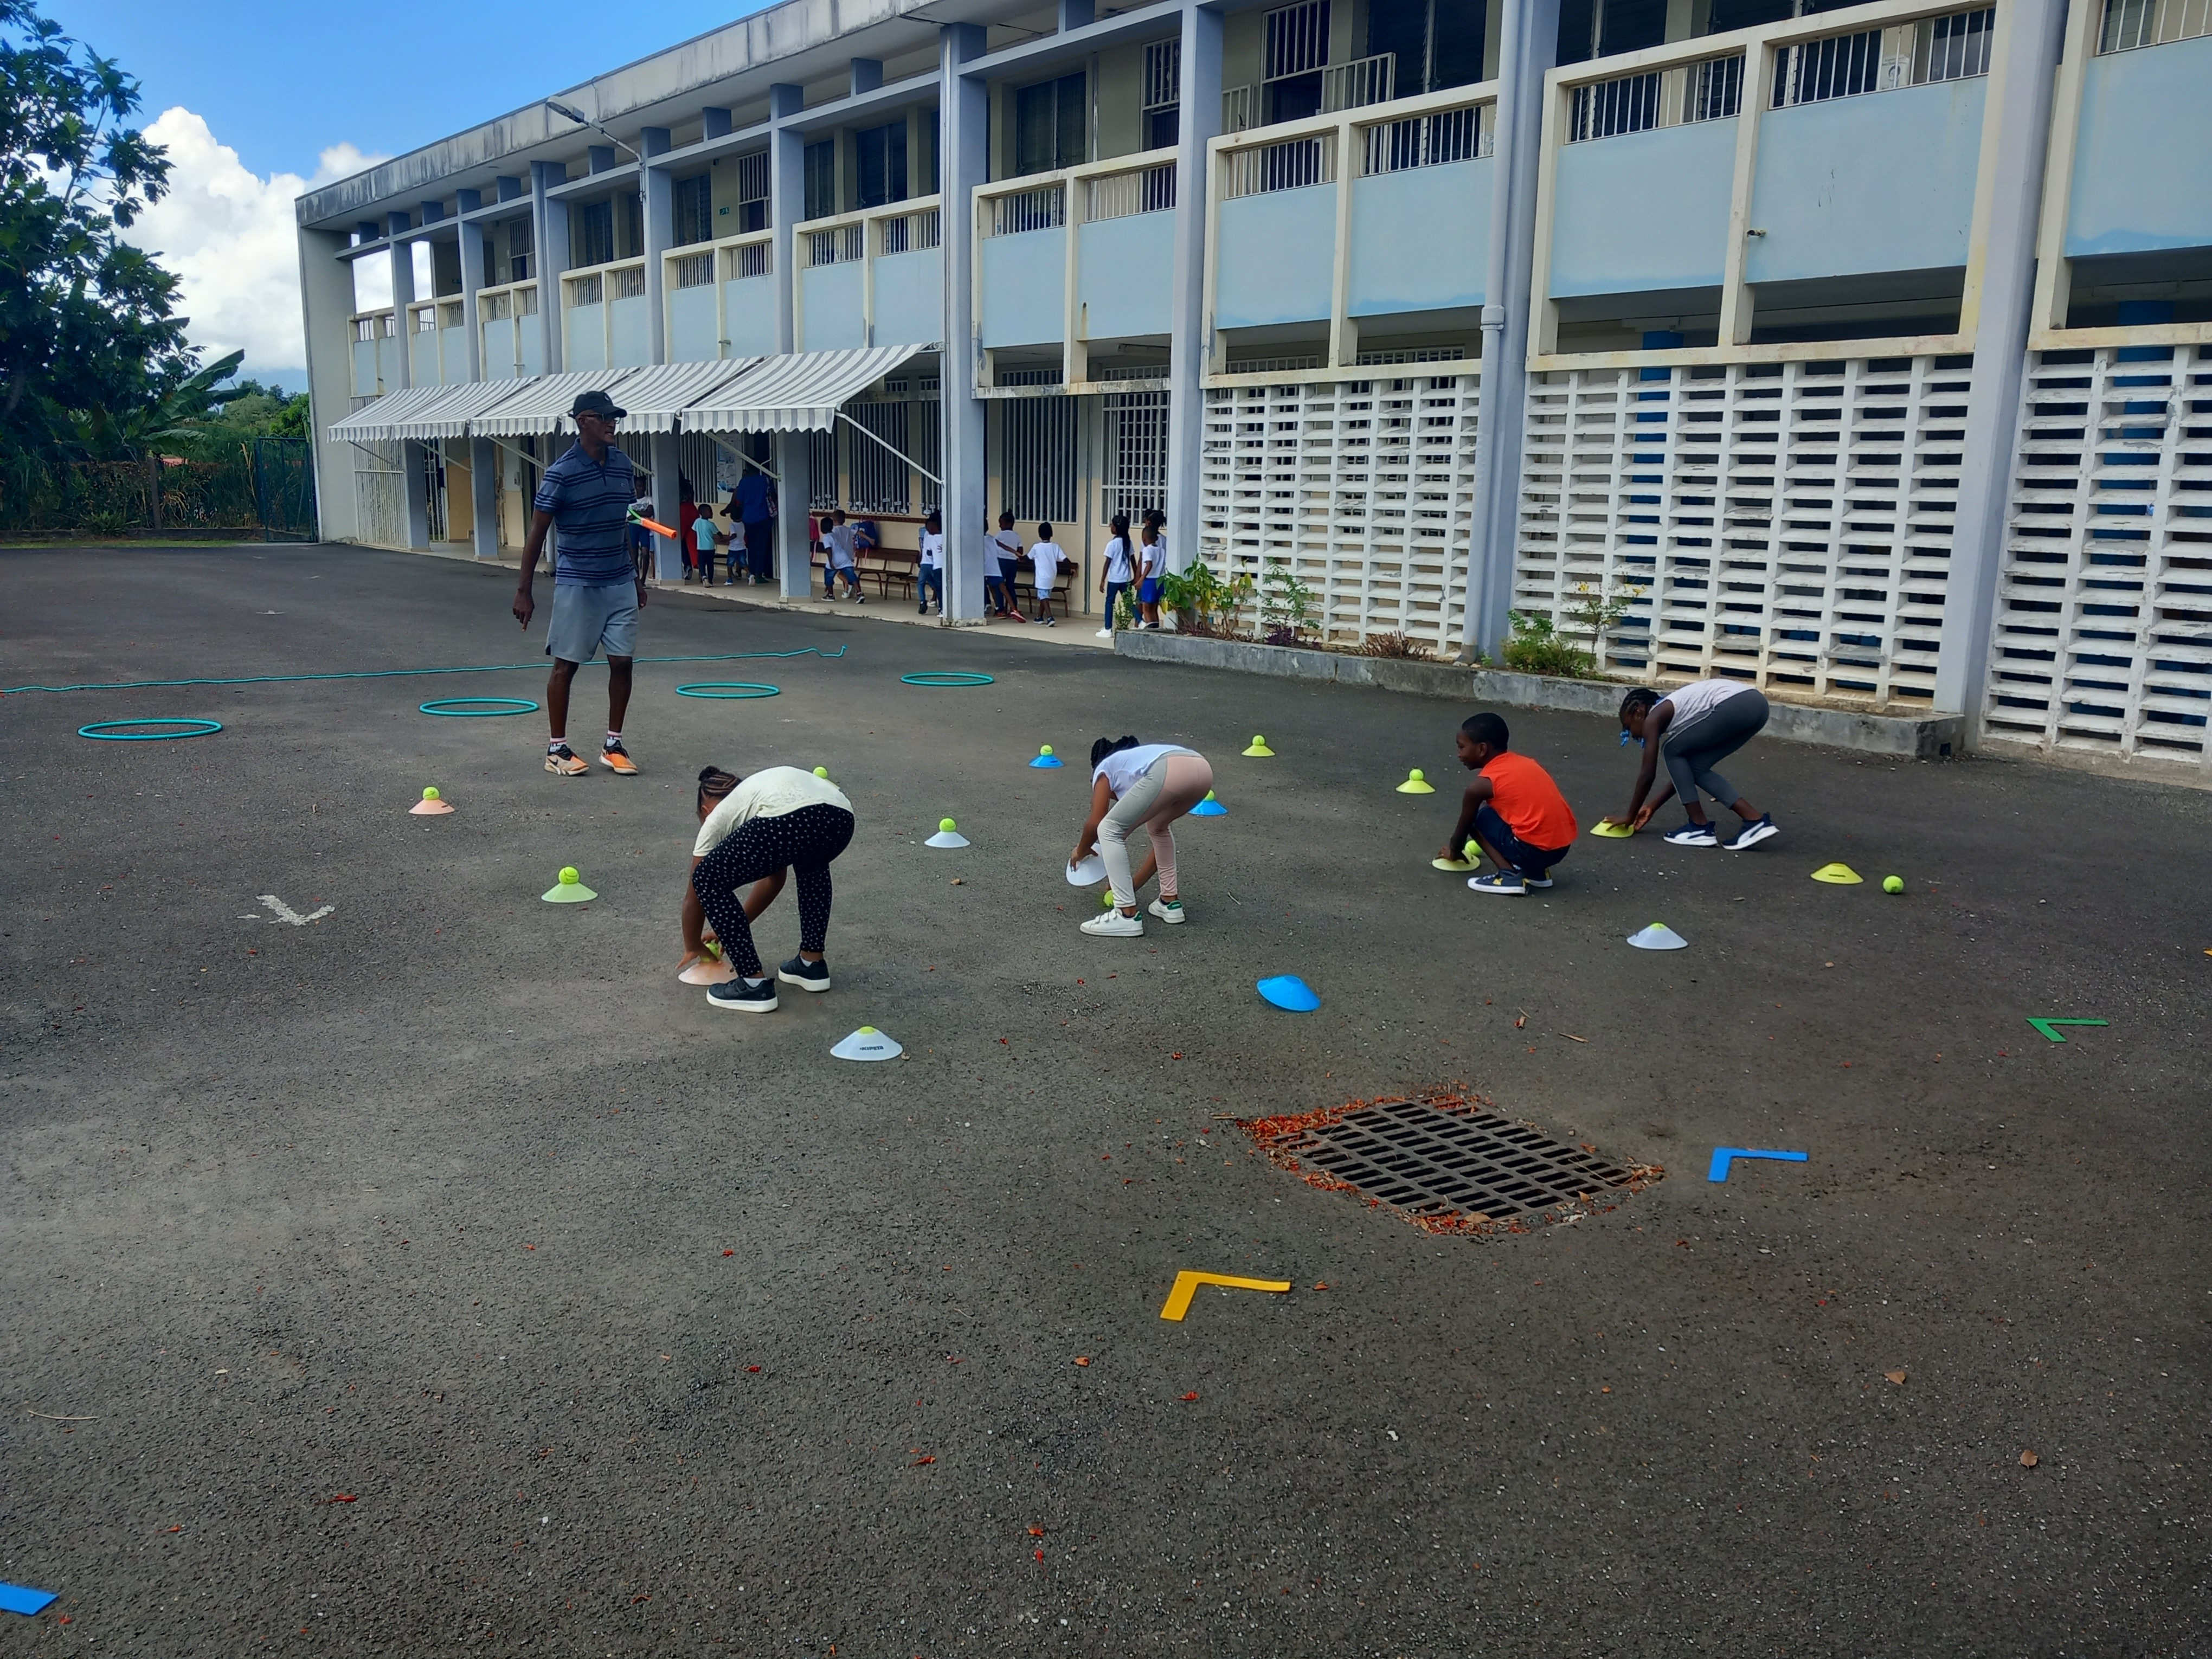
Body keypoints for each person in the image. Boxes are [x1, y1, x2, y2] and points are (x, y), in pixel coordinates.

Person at [513, 389, 646, 779]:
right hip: (579, 582)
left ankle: (613, 745)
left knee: (623, 663)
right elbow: (538, 531)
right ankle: (557, 749)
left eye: (614, 418)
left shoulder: (622, 465)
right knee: (566, 666)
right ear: (582, 421)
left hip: (619, 579)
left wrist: (636, 578)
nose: (612, 424)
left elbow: (622, 523)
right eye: (604, 418)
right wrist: (524, 590)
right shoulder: (562, 473)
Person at [683, 764, 856, 1013]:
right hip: (840, 815)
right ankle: (811, 964)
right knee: (811, 864)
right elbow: (773, 880)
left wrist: (693, 945)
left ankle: (753, 985)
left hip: (793, 816)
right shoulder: (758, 797)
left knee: (707, 877)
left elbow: (694, 896)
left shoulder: (717, 818)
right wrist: (730, 927)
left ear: (705, 811)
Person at [1069, 735, 1215, 937]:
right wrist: (1129, 886)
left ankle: (1125, 916)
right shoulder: (1137, 768)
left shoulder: (1105, 767)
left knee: (1108, 829)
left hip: (1170, 769)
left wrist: (1081, 850)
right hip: (1202, 769)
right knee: (1158, 827)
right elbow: (1153, 851)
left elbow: (1096, 823)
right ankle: (1169, 903)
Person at [1606, 681, 1779, 849]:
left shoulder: (1653, 717)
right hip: (1758, 707)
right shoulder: (1679, 720)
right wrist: (1652, 806)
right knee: (1696, 766)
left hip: (1735, 703)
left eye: (1628, 727)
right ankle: (1755, 821)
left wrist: (1630, 816)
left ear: (1638, 713)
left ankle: (1699, 827)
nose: (1632, 734)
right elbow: (1683, 774)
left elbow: (1648, 774)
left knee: (1670, 750)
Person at [1439, 711, 1579, 896]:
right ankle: (1536, 873)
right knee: (1498, 812)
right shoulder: (1526, 763)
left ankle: (1509, 875)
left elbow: (1462, 831)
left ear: (1482, 749)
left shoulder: (1480, 786)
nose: (1459, 755)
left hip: (1534, 850)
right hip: (1561, 848)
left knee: (1478, 817)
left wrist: (1454, 852)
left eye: (1462, 747)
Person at [734, 460, 776, 585]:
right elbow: (773, 496)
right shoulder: (765, 480)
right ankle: (759, 574)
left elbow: (740, 500)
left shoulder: (744, 482)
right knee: (761, 547)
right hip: (763, 517)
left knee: (751, 546)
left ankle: (751, 572)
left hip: (748, 517)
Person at [1097, 513, 1134, 638]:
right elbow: (1133, 561)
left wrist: (1102, 580)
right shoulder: (1128, 542)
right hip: (1126, 579)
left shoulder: (1112, 544)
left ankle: (1108, 629)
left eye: (1112, 525)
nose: (1110, 527)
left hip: (1114, 580)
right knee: (1129, 602)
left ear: (1116, 528)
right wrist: (1137, 578)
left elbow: (1107, 563)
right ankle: (1142, 621)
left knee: (1109, 603)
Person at [991, 512, 1027, 622]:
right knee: (1011, 586)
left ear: (1008, 523)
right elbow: (1020, 550)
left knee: (999, 586)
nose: (1000, 526)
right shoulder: (1017, 536)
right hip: (1013, 563)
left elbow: (994, 547)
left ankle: (1001, 610)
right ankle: (1013, 609)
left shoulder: (1000, 535)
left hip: (1001, 561)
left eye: (1001, 523)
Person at [824, 509, 865, 602]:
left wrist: (831, 562)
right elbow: (858, 533)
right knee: (852, 576)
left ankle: (831, 595)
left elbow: (829, 550)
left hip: (835, 559)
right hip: (845, 558)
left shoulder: (829, 535)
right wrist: (870, 539)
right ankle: (859, 593)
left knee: (829, 577)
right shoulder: (846, 530)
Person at [1030, 522, 1064, 626]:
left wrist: (1019, 557)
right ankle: (1039, 617)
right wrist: (1072, 567)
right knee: (1044, 596)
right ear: (1052, 534)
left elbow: (1028, 557)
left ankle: (1050, 617)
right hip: (1052, 576)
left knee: (1044, 597)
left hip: (1042, 577)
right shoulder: (1055, 547)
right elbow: (1065, 558)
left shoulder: (1036, 547)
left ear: (1039, 534)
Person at [1135, 518, 1166, 629]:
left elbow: (1149, 565)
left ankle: (1150, 630)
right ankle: (1156, 629)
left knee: (1146, 608)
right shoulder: (1162, 550)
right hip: (1160, 581)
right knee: (1154, 609)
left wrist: (1141, 579)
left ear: (1144, 539)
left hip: (1149, 581)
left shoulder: (1147, 550)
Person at [917, 509, 944, 615]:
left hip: (934, 565)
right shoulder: (945, 536)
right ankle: (938, 604)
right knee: (940, 587)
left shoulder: (930, 536)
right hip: (937, 565)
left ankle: (926, 602)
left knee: (924, 583)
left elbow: (928, 551)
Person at [690, 504, 720, 586]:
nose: (712, 513)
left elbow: (694, 530)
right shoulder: (711, 524)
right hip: (710, 547)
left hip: (701, 547)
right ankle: (710, 580)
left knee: (702, 564)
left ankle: (704, 577)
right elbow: (719, 534)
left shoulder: (697, 522)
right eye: (710, 511)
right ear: (703, 513)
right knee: (710, 564)